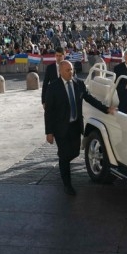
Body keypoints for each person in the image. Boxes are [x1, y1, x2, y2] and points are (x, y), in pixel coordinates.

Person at [44, 60, 116, 195]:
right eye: (67, 70)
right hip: (61, 128)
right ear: (60, 71)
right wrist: (49, 132)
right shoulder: (53, 87)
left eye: (71, 70)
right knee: (65, 156)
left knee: (75, 152)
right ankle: (67, 185)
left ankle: (62, 160)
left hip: (75, 126)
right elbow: (49, 112)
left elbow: (90, 99)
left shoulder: (79, 84)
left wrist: (106, 109)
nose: (70, 72)